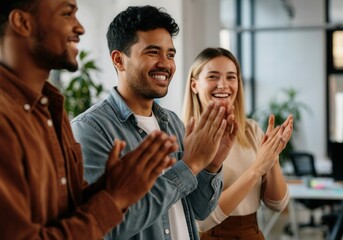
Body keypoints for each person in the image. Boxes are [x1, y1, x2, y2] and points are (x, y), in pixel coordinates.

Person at [0, 0, 178, 239]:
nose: (80, 28)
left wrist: (110, 186)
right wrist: (115, 198)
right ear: (22, 23)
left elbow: (68, 210)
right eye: (67, 14)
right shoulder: (6, 117)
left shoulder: (52, 109)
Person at [71, 5, 240, 240]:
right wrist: (190, 165)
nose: (166, 64)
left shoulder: (172, 123)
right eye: (153, 52)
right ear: (119, 60)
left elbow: (199, 210)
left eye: (170, 54)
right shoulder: (89, 130)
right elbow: (107, 227)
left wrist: (211, 166)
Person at [182, 47, 293, 240]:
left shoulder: (251, 130)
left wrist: (271, 156)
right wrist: (256, 169)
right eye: (213, 77)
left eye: (231, 77)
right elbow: (203, 218)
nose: (223, 85)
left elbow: (278, 204)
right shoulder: (186, 136)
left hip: (252, 233)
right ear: (194, 85)